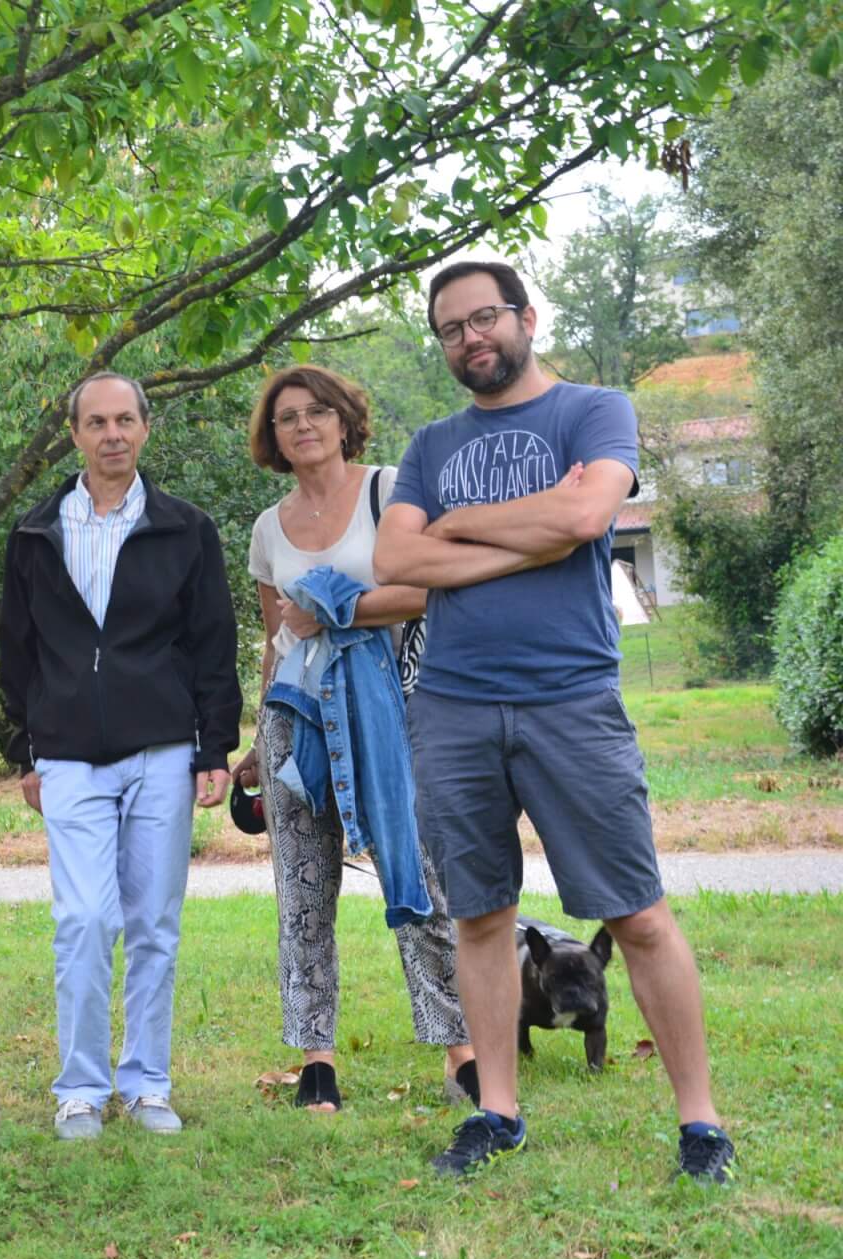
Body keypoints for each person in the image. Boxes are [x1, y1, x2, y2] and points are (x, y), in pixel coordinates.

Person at [375, 261, 735, 1182]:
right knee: (482, 917)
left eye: (484, 318)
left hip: (570, 698)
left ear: (525, 317)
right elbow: (394, 559)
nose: (470, 338)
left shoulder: (594, 411)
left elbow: (586, 512)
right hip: (451, 705)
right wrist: (528, 535)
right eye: (451, 328)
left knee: (638, 913)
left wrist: (460, 528)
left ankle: (700, 1125)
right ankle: (498, 1113)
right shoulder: (430, 445)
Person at [0, 371, 241, 1140]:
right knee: (83, 919)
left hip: (163, 751)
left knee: (154, 924)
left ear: (145, 429)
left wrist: (214, 746)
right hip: (67, 755)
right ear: (74, 434)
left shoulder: (185, 529)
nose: (112, 434)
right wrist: (22, 750)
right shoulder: (37, 532)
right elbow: (16, 650)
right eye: (96, 422)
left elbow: (211, 643)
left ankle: (147, 1085)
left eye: (125, 420)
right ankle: (79, 1088)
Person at [232, 366, 477, 1114]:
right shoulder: (268, 529)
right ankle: (316, 1059)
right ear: (272, 438)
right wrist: (254, 739)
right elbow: (276, 639)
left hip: (390, 716)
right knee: (303, 893)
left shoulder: (390, 490)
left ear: (344, 420)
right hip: (295, 722)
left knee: (422, 878)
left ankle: (459, 1048)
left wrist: (338, 609)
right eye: (286, 419)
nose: (303, 426)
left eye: (316, 412)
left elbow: (435, 587)